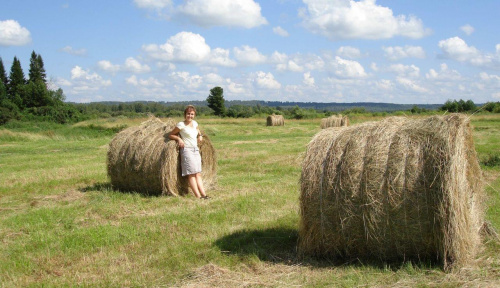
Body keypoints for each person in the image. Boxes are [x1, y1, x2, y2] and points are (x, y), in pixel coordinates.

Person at [168, 105, 210, 199]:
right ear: (185, 114)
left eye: (192, 114)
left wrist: (200, 135)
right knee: (191, 174)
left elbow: (198, 130)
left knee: (198, 173)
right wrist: (179, 139)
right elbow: (171, 135)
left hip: (195, 149)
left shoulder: (195, 123)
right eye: (188, 114)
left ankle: (204, 195)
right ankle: (198, 196)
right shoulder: (181, 125)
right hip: (187, 150)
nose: (190, 116)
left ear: (194, 115)